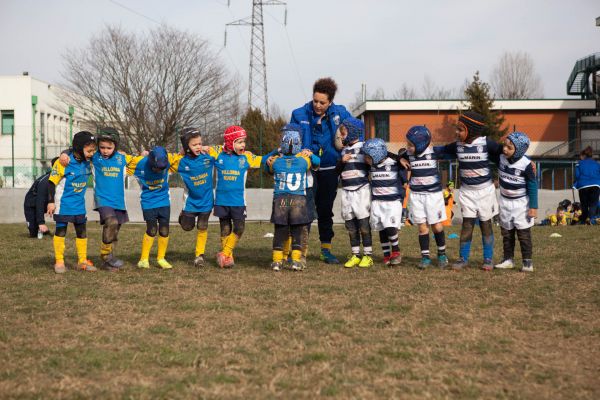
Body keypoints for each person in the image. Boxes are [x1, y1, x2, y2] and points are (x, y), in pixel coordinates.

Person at [291, 77, 352, 264]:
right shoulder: (299, 114)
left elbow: (357, 130)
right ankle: (302, 250)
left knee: (325, 210)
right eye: (315, 100)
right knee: (306, 210)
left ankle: (326, 249)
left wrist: (345, 144)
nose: (318, 105)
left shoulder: (340, 113)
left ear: (330, 102)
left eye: (322, 102)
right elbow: (289, 137)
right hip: (308, 170)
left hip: (330, 169)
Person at [434, 111, 503, 271]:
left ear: (471, 130)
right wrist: (417, 150)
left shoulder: (486, 144)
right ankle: (463, 258)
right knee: (467, 225)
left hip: (485, 192)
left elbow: (505, 153)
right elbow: (441, 151)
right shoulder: (458, 146)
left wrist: (525, 161)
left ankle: (488, 259)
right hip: (466, 192)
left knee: (486, 225)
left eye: (460, 129)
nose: (457, 133)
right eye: (457, 129)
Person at [58, 127, 135, 271]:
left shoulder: (122, 158)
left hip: (119, 202)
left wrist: (145, 154)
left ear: (116, 146)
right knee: (111, 222)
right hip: (102, 200)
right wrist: (64, 153)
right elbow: (78, 151)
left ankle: (108, 259)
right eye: (102, 147)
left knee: (114, 231)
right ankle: (106, 256)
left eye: (109, 148)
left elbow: (139, 161)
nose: (105, 150)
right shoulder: (95, 157)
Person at [209, 125, 266, 268]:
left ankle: (225, 253)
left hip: (238, 202)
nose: (243, 145)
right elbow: (202, 150)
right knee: (225, 228)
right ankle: (228, 257)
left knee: (240, 228)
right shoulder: (218, 153)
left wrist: (276, 153)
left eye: (244, 141)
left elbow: (262, 159)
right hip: (221, 200)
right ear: (230, 142)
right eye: (239, 142)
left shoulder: (246, 156)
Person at [47, 131, 97, 274]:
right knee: (61, 231)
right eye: (89, 150)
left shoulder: (89, 162)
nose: (92, 153)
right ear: (79, 148)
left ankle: (82, 261)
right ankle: (59, 261)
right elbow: (51, 182)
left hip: (79, 205)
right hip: (63, 204)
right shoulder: (63, 162)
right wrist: (50, 201)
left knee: (82, 231)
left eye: (93, 150)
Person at [267, 125, 315, 271]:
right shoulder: (303, 161)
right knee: (297, 232)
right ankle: (296, 261)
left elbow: (268, 168)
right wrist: (309, 154)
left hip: (281, 199)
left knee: (280, 231)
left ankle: (277, 261)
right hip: (298, 200)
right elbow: (315, 162)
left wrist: (272, 158)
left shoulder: (275, 162)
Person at [402, 126, 449, 269]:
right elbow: (395, 156)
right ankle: (425, 257)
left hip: (433, 196)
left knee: (436, 225)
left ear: (421, 143)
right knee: (422, 228)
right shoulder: (408, 154)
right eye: (407, 144)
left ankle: (442, 254)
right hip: (416, 196)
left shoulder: (435, 152)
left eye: (411, 144)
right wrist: (400, 159)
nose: (408, 147)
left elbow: (451, 149)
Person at [171, 127, 216, 268]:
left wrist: (211, 149)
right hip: (190, 203)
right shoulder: (181, 162)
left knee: (202, 226)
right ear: (186, 147)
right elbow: (166, 164)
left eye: (200, 143)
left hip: (207, 201)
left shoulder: (208, 158)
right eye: (194, 144)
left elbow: (222, 154)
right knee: (187, 226)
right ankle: (182, 216)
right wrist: (179, 154)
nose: (198, 147)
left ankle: (199, 256)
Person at [493, 132, 538, 272]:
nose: (505, 149)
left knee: (523, 234)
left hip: (521, 204)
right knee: (506, 233)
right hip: (505, 202)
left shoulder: (526, 165)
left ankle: (527, 262)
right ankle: (508, 260)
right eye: (504, 145)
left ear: (518, 151)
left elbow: (532, 186)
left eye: (509, 148)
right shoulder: (500, 157)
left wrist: (533, 207)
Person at [128, 146, 177, 270]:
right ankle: (143, 259)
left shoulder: (168, 160)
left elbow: (180, 155)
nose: (158, 171)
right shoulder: (139, 163)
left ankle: (161, 258)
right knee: (152, 230)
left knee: (165, 230)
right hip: (148, 202)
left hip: (164, 201)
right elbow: (123, 159)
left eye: (161, 169)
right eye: (155, 168)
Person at [362, 138, 407, 266]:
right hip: (377, 203)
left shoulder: (394, 163)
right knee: (381, 229)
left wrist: (399, 158)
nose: (365, 159)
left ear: (376, 154)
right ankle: (387, 255)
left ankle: (396, 252)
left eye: (367, 156)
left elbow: (404, 160)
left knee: (390, 227)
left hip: (392, 202)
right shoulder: (371, 166)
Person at [335, 117, 373, 268]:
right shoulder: (343, 151)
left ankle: (368, 255)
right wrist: (341, 161)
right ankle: (356, 254)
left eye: (343, 134)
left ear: (352, 132)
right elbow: (336, 172)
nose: (341, 137)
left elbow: (375, 163)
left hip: (361, 190)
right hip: (346, 191)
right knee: (350, 224)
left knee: (363, 224)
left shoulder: (365, 148)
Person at [23, 157, 58, 238]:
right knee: (34, 234)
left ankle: (59, 230)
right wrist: (41, 222)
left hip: (46, 202)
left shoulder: (62, 179)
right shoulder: (46, 181)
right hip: (31, 205)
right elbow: (40, 201)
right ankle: (39, 228)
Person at [573, 146, 600, 224]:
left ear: (584, 155)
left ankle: (583, 220)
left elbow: (577, 176)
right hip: (595, 185)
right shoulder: (597, 164)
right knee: (593, 204)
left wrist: (575, 184)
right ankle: (591, 219)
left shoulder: (579, 164)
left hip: (583, 186)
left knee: (584, 204)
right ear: (592, 155)